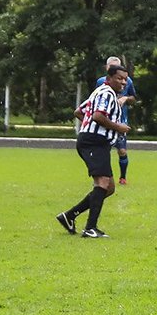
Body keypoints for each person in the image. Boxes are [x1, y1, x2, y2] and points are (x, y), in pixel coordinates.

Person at [57, 64, 131, 239]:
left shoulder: (101, 93)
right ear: (109, 78)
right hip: (94, 142)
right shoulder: (105, 93)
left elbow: (79, 111)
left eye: (125, 79)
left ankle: (69, 216)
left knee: (109, 187)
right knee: (103, 183)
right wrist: (117, 127)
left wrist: (90, 126)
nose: (123, 82)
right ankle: (90, 228)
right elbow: (98, 116)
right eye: (119, 78)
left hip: (97, 142)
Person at [95, 55, 137, 185]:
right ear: (107, 68)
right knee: (102, 150)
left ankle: (122, 177)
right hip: (104, 120)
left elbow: (134, 98)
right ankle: (101, 177)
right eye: (111, 67)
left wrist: (125, 99)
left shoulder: (127, 81)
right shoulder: (101, 82)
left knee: (122, 150)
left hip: (120, 120)